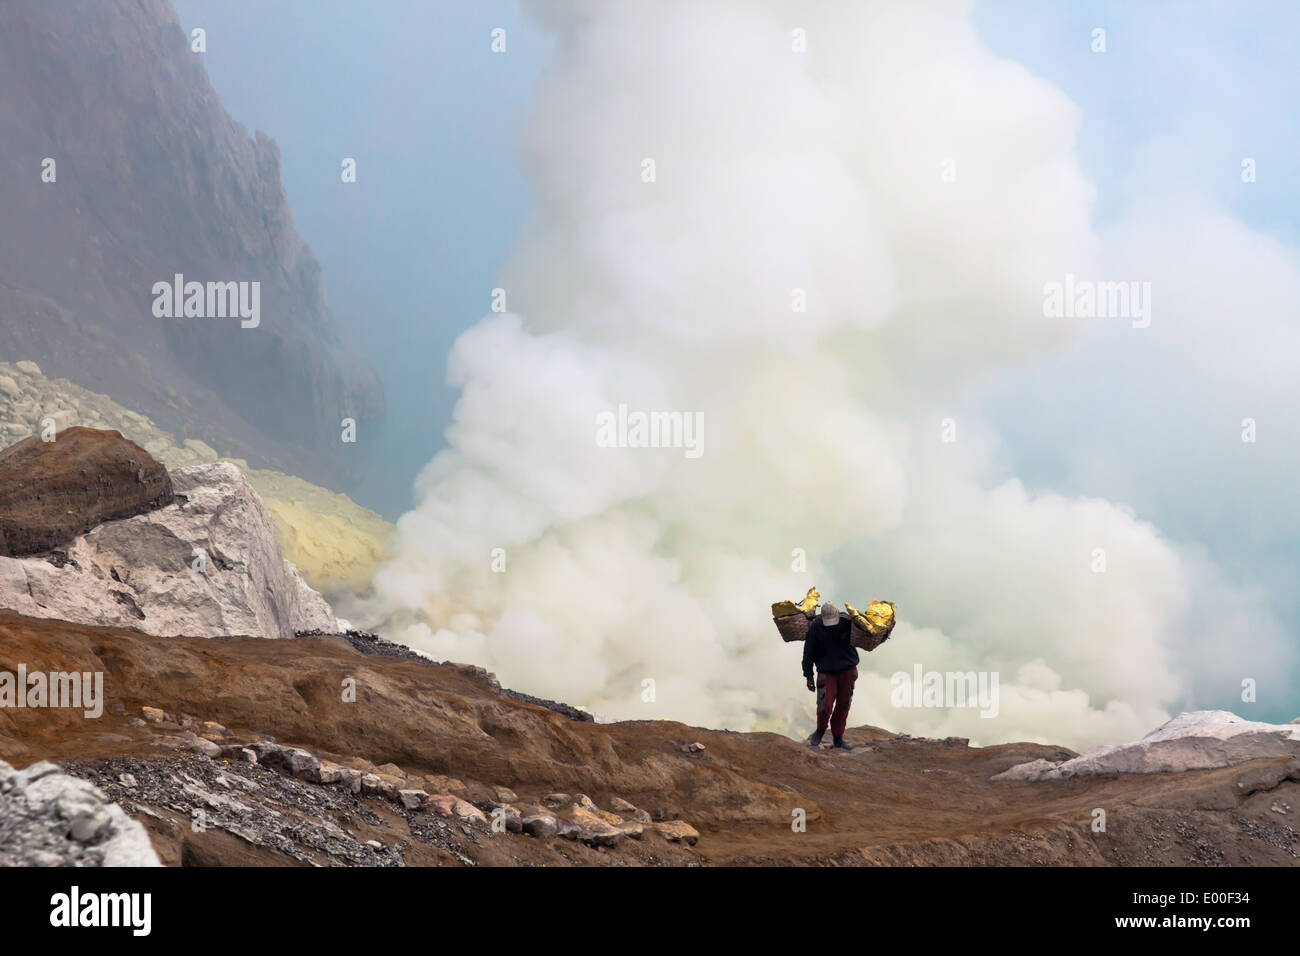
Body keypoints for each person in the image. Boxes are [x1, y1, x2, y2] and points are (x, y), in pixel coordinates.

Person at [801, 602, 859, 750]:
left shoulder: (847, 622)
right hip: (826, 671)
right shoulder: (815, 628)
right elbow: (808, 652)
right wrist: (808, 675)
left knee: (843, 704)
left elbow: (862, 633)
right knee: (824, 705)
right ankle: (820, 731)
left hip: (847, 669)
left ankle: (838, 738)